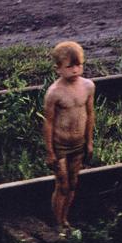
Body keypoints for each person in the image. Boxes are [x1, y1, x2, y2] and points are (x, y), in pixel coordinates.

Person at [43, 41, 95, 231]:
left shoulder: (88, 86)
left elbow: (90, 115)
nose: (75, 70)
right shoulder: (54, 93)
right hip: (61, 145)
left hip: (78, 143)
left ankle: (65, 219)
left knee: (73, 182)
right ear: (58, 69)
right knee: (62, 184)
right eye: (69, 66)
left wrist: (89, 142)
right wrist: (50, 151)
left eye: (78, 65)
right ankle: (57, 222)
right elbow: (48, 122)